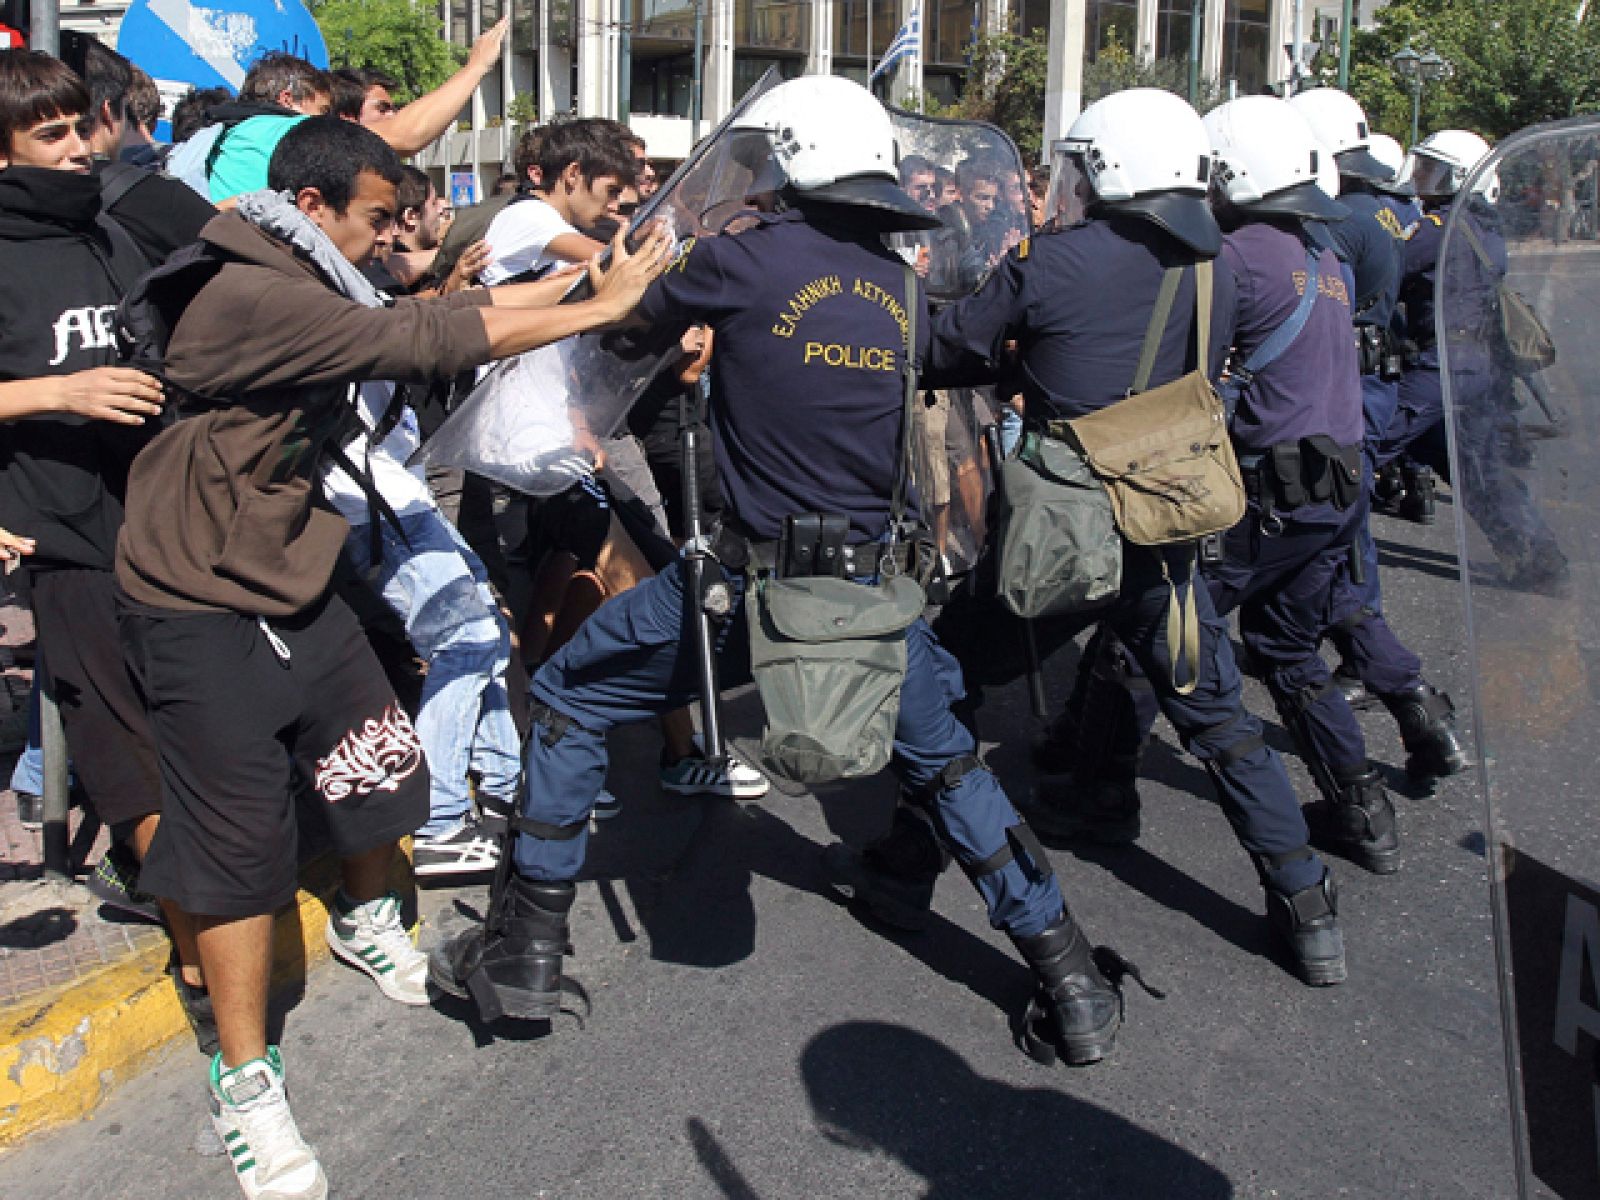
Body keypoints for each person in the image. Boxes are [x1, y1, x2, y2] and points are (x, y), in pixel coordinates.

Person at [430, 75, 1130, 1070]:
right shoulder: (896, 285)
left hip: (732, 592)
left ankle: (525, 954)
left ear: (791, 158)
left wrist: (652, 291)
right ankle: (1070, 977)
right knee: (948, 765)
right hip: (861, 592)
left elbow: (624, 327)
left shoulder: (737, 261)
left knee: (570, 695)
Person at [113, 116, 673, 1200]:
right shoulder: (255, 293)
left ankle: (372, 922)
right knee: (238, 859)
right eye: (378, 217)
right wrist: (597, 304)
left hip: (291, 575)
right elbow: (416, 345)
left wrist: (593, 282)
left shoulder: (305, 265)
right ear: (311, 205)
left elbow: (436, 309)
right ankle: (248, 1085)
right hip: (195, 600)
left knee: (379, 757)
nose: (393, 236)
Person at [927, 88, 1348, 987]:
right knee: (1225, 724)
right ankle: (1308, 912)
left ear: (1107, 169)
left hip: (1063, 532)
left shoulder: (1052, 260)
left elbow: (951, 348)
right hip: (1167, 527)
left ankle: (897, 872)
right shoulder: (1215, 269)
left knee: (942, 684)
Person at [0, 48, 206, 992]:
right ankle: (200, 944)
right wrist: (58, 392)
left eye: (83, 126)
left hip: (161, 522)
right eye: (53, 133)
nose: (81, 148)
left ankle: (206, 899)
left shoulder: (118, 229)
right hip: (62, 535)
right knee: (124, 750)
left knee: (194, 723)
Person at [1289, 87, 1469, 782]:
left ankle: (1376, 764)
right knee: (1338, 568)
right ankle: (1418, 711)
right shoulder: (1394, 210)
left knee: (1323, 572)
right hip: (1365, 390)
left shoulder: (1337, 219)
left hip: (1325, 400)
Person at [1375, 129, 1569, 594]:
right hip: (1480, 365)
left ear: (1461, 178)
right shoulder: (1486, 228)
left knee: (1368, 443)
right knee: (1480, 468)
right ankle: (1539, 557)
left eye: (1433, 169)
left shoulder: (1439, 229)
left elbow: (1389, 269)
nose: (1422, 176)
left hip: (1441, 364)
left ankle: (1325, 558)